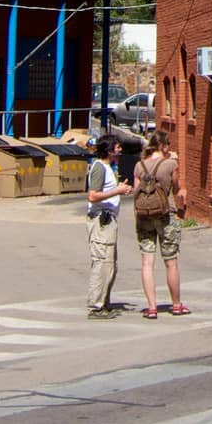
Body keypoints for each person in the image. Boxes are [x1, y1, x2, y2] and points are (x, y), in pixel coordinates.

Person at [135, 129, 191, 319]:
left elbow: (136, 192)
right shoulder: (170, 164)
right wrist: (174, 161)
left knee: (147, 262)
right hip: (165, 215)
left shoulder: (139, 166)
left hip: (143, 216)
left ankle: (151, 307)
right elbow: (176, 188)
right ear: (163, 146)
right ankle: (176, 304)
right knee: (171, 262)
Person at [85, 136, 131, 319]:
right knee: (102, 262)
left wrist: (119, 189)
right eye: (118, 147)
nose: (120, 150)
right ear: (110, 150)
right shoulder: (99, 168)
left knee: (110, 264)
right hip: (100, 222)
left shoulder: (108, 168)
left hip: (108, 220)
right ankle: (96, 306)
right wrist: (117, 191)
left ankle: (104, 302)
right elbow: (93, 196)